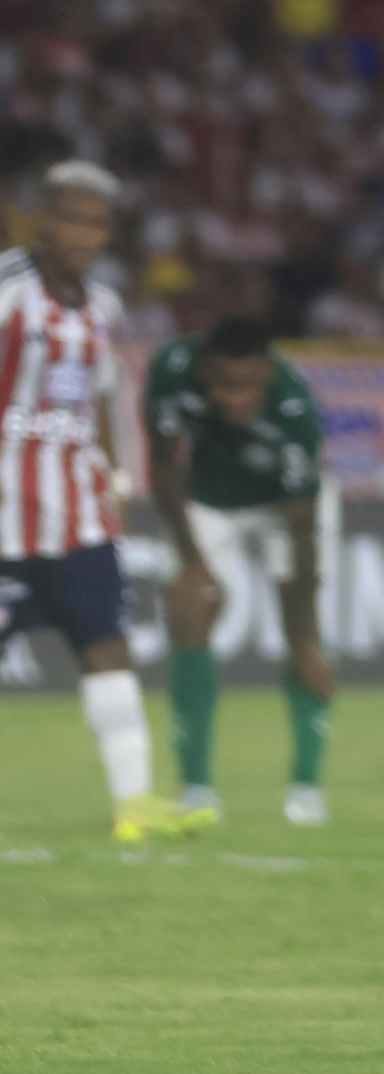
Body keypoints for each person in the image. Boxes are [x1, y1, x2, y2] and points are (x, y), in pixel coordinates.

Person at [0, 161, 194, 846]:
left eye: (97, 222)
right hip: (0, 515)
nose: (83, 233)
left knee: (107, 647)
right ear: (41, 220)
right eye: (70, 217)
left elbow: (101, 395)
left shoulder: (104, 305)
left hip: (80, 513)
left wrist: (112, 476)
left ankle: (134, 803)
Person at [146, 317, 336, 826]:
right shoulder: (172, 370)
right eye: (223, 384)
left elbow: (301, 535)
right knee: (189, 610)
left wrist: (303, 641)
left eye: (247, 386)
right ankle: (196, 788)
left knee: (308, 640)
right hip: (209, 498)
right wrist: (192, 562)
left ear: (268, 372)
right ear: (206, 369)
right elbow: (162, 467)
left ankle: (305, 786)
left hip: (284, 509)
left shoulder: (294, 410)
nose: (233, 399)